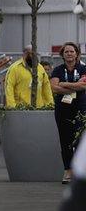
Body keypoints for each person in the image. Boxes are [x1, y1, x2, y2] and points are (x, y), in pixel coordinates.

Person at [50, 42, 86, 184]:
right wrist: (75, 87)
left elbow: (84, 85)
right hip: (63, 109)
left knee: (80, 140)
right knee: (65, 141)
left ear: (77, 54)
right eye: (66, 52)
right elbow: (54, 88)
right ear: (62, 55)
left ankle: (79, 171)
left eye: (72, 51)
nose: (69, 54)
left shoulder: (83, 68)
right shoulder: (58, 70)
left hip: (81, 109)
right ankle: (68, 171)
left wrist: (64, 84)